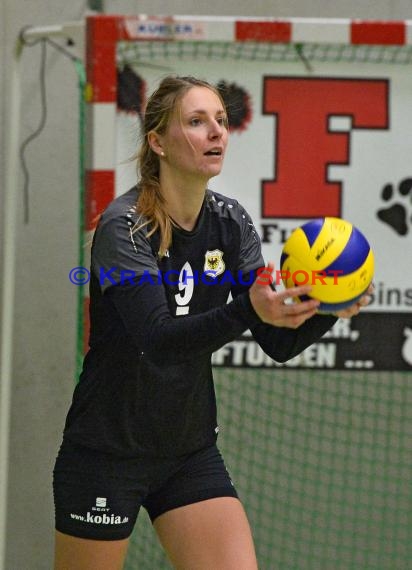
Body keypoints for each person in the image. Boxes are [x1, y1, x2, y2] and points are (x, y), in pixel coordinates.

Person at [53, 75, 372, 570]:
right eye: (197, 122)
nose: (216, 133)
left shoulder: (231, 222)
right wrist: (249, 308)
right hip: (107, 453)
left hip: (187, 453)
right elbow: (156, 340)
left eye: (221, 121)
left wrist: (330, 307)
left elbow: (276, 341)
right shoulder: (124, 226)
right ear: (157, 142)